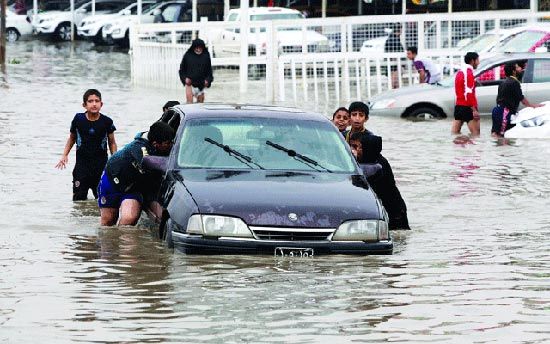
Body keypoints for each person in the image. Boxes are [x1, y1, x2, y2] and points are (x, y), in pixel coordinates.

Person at [98, 121, 175, 226]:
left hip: (134, 187)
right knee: (108, 222)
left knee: (129, 219)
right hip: (112, 180)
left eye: (172, 141)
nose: (171, 145)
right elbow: (147, 160)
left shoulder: (163, 145)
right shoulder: (139, 147)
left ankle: (124, 241)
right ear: (155, 144)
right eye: (168, 143)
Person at [56, 89, 117, 201]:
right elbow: (72, 138)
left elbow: (112, 142)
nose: (94, 104)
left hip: (101, 168)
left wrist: (115, 160)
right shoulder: (78, 119)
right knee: (79, 201)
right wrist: (64, 155)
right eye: (90, 101)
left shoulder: (107, 122)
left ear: (101, 104)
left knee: (102, 200)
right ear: (84, 105)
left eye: (97, 101)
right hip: (81, 168)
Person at [350, 131, 410, 230]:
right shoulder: (371, 160)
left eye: (360, 147)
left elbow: (359, 181)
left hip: (394, 210)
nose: (357, 150)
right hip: (385, 208)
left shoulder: (378, 166)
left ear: (368, 149)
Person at [491, 62, 542, 138]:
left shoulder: (503, 82)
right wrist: (533, 106)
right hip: (504, 112)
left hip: (498, 111)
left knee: (498, 135)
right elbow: (521, 98)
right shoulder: (514, 82)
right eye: (518, 67)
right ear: (514, 71)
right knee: (501, 137)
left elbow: (500, 99)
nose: (521, 68)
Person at [451, 52, 480, 136]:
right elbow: (468, 93)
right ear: (472, 61)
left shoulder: (460, 72)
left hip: (458, 106)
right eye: (477, 60)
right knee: (476, 134)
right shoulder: (468, 73)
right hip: (468, 106)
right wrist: (474, 110)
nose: (478, 62)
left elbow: (461, 89)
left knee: (455, 133)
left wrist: (474, 83)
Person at [179, 38, 213, 104]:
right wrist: (185, 79)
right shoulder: (187, 55)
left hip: (201, 84)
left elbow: (209, 71)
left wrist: (208, 81)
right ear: (193, 48)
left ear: (203, 48)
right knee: (189, 104)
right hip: (190, 84)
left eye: (200, 48)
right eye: (196, 48)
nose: (198, 49)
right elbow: (181, 70)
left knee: (200, 105)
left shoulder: (206, 56)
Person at [384, 23, 405, 89]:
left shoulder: (392, 38)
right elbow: (392, 54)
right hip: (394, 66)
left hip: (394, 66)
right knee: (395, 85)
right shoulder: (394, 40)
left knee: (394, 85)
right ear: (399, 30)